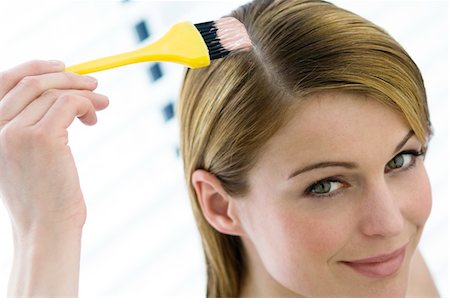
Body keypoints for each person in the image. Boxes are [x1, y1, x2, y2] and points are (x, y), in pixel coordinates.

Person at [0, 0, 440, 297]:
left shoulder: (386, 266)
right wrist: (45, 227)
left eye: (401, 160)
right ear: (219, 204)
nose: (388, 223)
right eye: (326, 185)